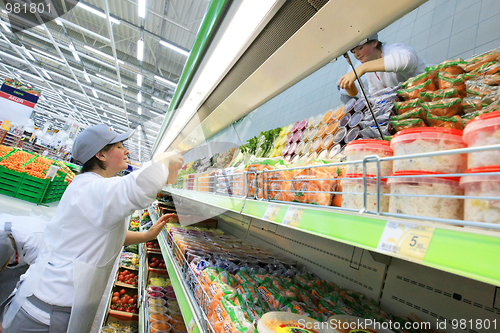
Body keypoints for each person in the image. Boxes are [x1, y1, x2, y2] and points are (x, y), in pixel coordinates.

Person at [2, 124, 183, 333]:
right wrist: (162, 160)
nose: (126, 151)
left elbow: (101, 234)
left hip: (47, 302)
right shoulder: (92, 189)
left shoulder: (87, 186)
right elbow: (137, 189)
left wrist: (146, 235)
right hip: (49, 314)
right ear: (101, 155)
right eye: (119, 145)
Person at [339, 33, 426, 96]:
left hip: (426, 92)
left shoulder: (393, 50)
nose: (356, 55)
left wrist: (363, 68)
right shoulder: (370, 68)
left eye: (360, 48)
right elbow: (375, 94)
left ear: (374, 43)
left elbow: (408, 60)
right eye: (354, 52)